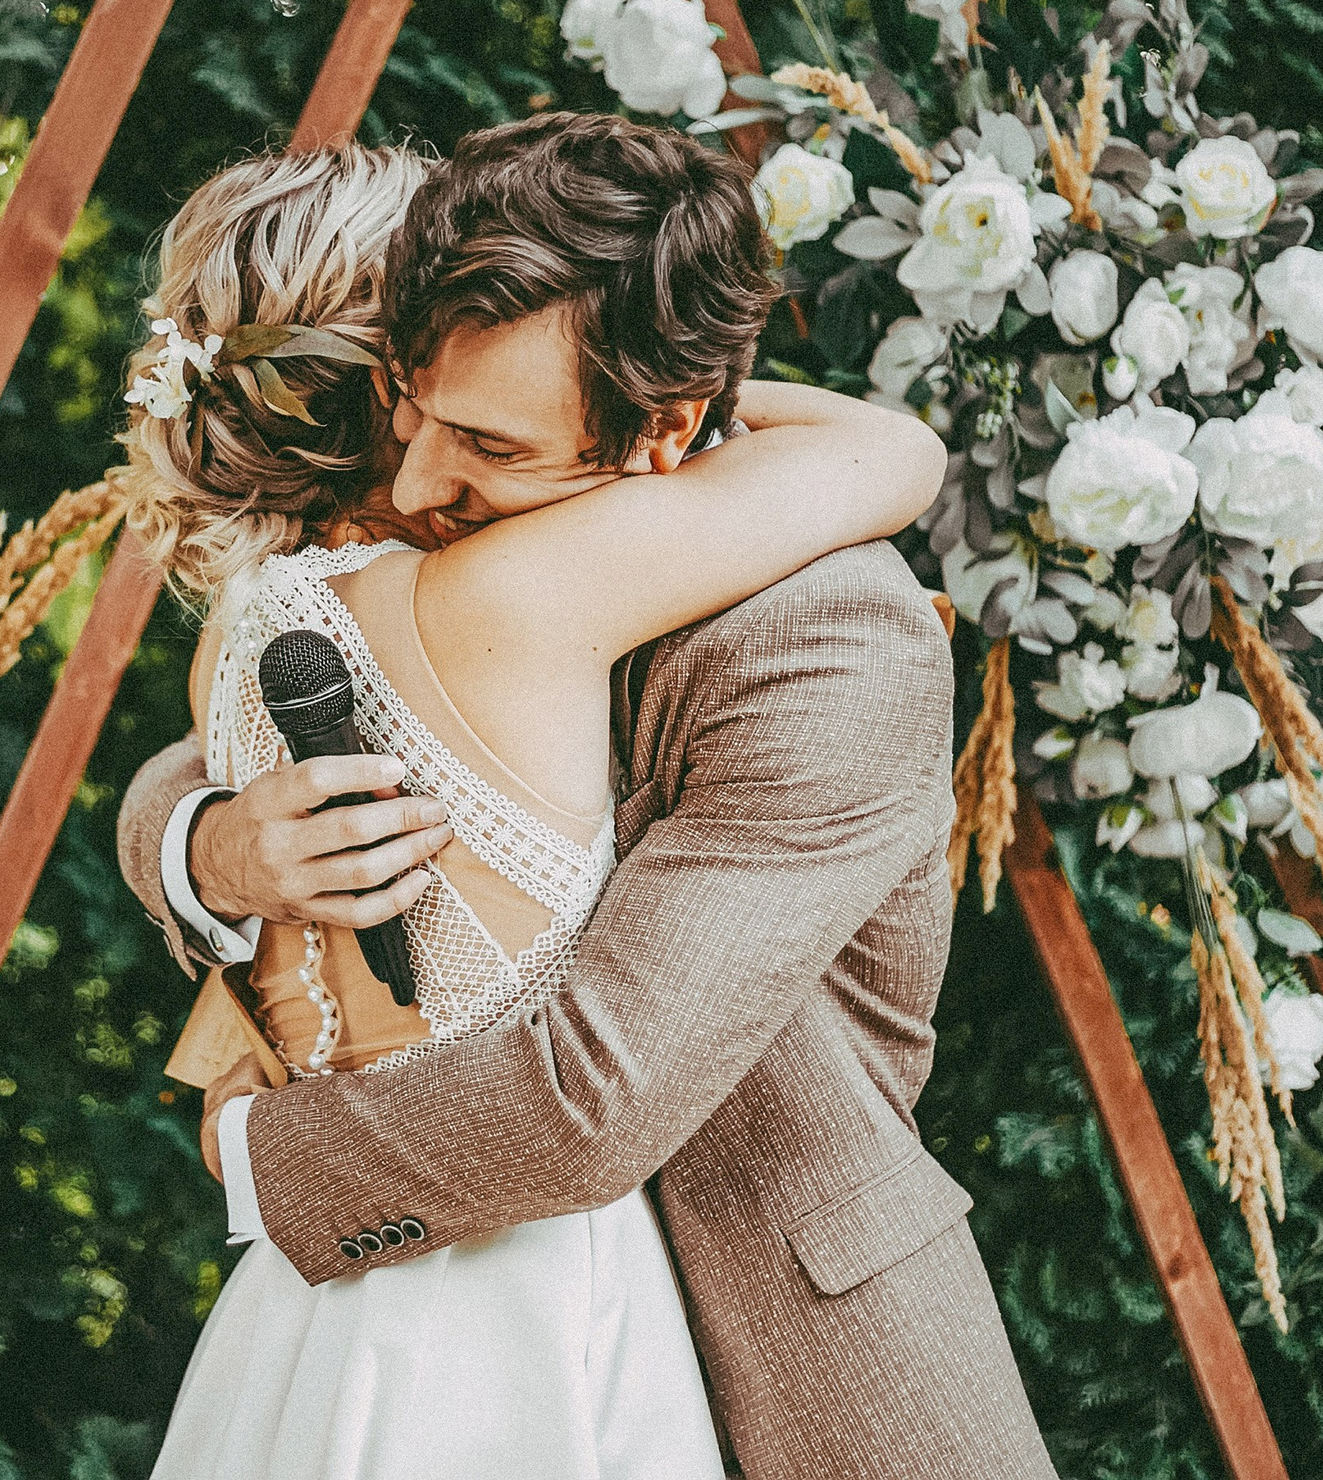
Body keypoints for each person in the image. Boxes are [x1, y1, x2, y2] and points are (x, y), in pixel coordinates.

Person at [116, 115, 1043, 1478]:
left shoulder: (827, 630)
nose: (425, 479)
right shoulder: (426, 573)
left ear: (663, 431)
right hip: (464, 1306)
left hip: (781, 1337)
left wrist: (262, 1161)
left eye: (483, 437)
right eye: (408, 409)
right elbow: (188, 771)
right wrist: (210, 851)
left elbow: (592, 1098)